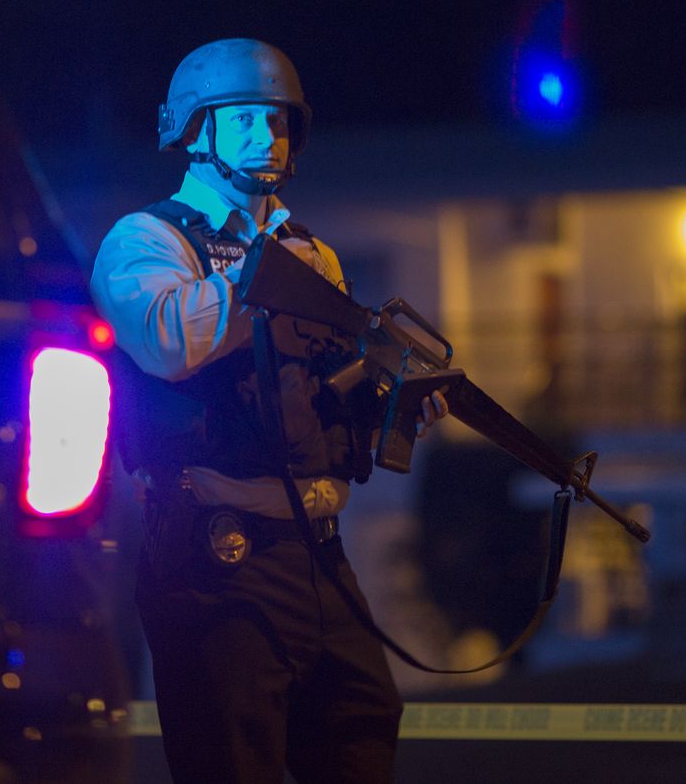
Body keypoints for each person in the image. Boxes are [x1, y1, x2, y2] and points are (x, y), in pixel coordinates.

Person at [90, 38, 447, 784]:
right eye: (244, 118)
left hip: (317, 544)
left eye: (280, 122)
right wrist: (263, 279)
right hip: (216, 549)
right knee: (235, 756)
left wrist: (389, 400)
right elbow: (164, 343)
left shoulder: (309, 251)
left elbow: (319, 381)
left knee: (361, 724)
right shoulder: (147, 238)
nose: (268, 137)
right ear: (196, 131)